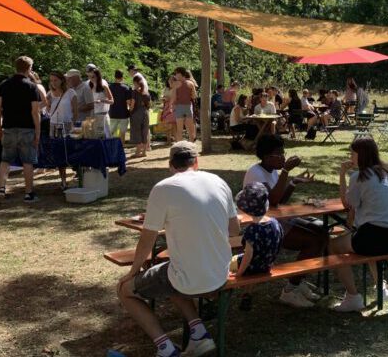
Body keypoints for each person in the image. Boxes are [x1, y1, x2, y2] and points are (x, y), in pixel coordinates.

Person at [117, 142, 239, 357]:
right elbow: (234, 229)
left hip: (189, 277)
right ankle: (199, 334)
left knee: (125, 291)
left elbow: (147, 241)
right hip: (220, 272)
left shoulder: (164, 188)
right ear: (197, 162)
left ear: (170, 165)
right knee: (170, 273)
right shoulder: (219, 182)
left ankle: (165, 348)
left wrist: (132, 273)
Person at [243, 135, 321, 308]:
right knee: (314, 241)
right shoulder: (255, 173)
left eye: (283, 152)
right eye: (279, 153)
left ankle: (298, 281)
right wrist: (286, 171)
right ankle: (290, 290)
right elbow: (273, 201)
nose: (283, 156)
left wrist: (292, 182)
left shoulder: (272, 171)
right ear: (266, 156)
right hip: (263, 228)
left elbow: (280, 201)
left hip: (278, 221)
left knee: (321, 231)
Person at [330, 137, 388, 312]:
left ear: (361, 155)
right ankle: (381, 287)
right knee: (365, 237)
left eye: (352, 153)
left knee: (332, 245)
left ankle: (353, 296)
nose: (350, 157)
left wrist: (342, 173)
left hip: (373, 236)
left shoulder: (359, 176)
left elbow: (346, 204)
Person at [0, 56, 42, 205]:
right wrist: (38, 132)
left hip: (8, 127)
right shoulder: (31, 86)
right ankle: (28, 194)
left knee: (5, 160)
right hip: (27, 129)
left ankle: (2, 189)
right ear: (29, 69)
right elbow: (35, 111)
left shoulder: (4, 85)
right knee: (27, 162)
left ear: (16, 67)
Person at [231, 182, 284, 277]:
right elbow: (279, 243)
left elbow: (248, 256)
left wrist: (238, 274)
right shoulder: (275, 223)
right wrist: (271, 261)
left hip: (252, 268)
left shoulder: (252, 230)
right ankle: (247, 290)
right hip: (266, 265)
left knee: (228, 261)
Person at [47, 71, 78, 191]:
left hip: (67, 125)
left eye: (55, 80)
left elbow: (75, 112)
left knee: (70, 152)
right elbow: (47, 110)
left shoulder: (71, 93)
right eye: (51, 80)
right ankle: (63, 181)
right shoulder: (50, 94)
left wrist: (73, 126)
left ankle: (76, 176)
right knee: (59, 153)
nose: (53, 83)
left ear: (61, 80)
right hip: (54, 126)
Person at [173, 67, 197, 143]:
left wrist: (172, 106)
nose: (175, 75)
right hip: (188, 106)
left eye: (176, 73)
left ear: (180, 74)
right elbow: (194, 96)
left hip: (179, 107)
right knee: (190, 129)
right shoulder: (191, 83)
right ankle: (192, 146)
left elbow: (173, 97)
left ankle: (179, 147)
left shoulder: (175, 84)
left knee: (179, 129)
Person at [89, 67, 114, 138]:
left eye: (93, 77)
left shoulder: (104, 86)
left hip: (103, 116)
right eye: (90, 77)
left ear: (98, 76)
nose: (91, 79)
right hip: (93, 115)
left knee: (106, 137)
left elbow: (112, 101)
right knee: (96, 137)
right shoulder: (90, 86)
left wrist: (101, 100)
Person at [109, 70, 132, 143]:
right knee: (122, 133)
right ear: (122, 77)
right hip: (123, 114)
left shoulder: (109, 87)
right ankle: (121, 148)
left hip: (113, 113)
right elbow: (128, 102)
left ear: (114, 76)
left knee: (112, 132)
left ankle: (111, 147)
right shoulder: (126, 88)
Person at [130, 76, 151, 158]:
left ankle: (138, 152)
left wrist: (130, 111)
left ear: (135, 83)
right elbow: (149, 104)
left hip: (136, 113)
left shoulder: (135, 92)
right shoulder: (146, 92)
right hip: (145, 113)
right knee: (144, 132)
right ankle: (144, 152)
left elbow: (132, 105)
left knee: (137, 132)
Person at [160, 76, 177, 143]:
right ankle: (168, 140)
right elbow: (163, 97)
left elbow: (177, 98)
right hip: (166, 107)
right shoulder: (166, 89)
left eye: (172, 80)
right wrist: (163, 99)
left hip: (174, 107)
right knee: (166, 124)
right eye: (169, 80)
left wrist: (169, 99)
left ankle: (176, 140)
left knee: (173, 124)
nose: (170, 81)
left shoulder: (176, 89)